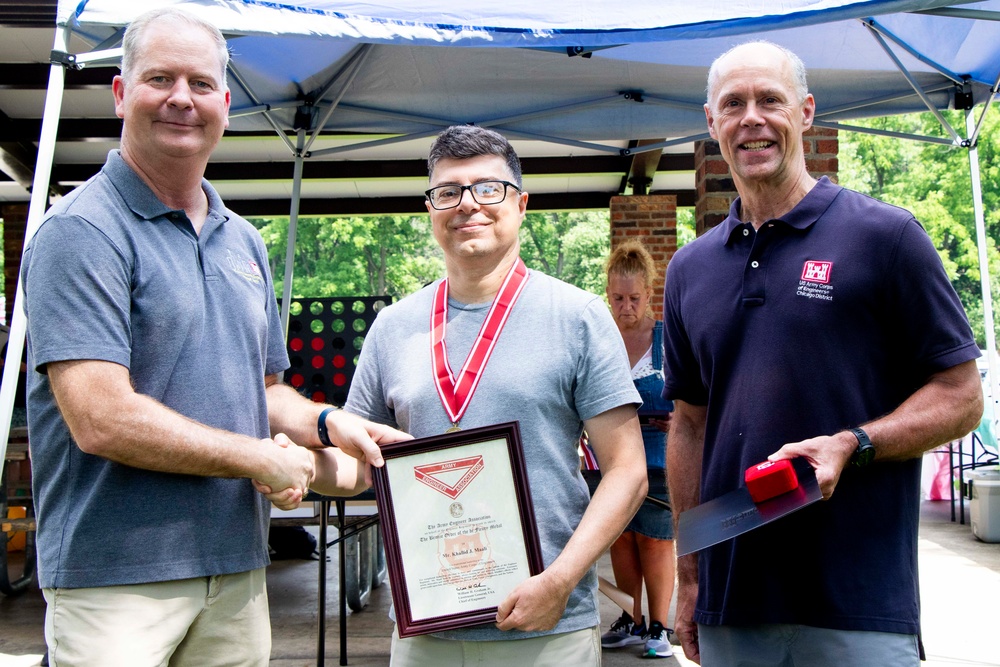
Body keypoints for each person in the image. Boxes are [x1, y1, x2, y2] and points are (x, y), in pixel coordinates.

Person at [20, 8, 405, 666]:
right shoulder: (80, 231)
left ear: (225, 104)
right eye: (159, 78)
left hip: (236, 569)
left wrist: (328, 420)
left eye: (200, 84)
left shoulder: (244, 241)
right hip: (116, 580)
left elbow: (264, 392)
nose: (180, 98)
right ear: (120, 93)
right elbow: (101, 417)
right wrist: (258, 459)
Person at [663, 41, 984, 666]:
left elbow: (962, 396)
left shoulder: (886, 238)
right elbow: (691, 428)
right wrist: (692, 577)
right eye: (734, 104)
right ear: (711, 123)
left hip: (859, 604)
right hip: (736, 604)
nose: (752, 118)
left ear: (806, 112)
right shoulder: (689, 269)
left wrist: (854, 443)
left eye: (770, 101)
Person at [338, 124, 648, 666]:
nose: (467, 205)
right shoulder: (393, 327)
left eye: (488, 189)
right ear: (431, 207)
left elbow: (628, 471)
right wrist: (294, 466)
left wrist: (561, 581)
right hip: (425, 630)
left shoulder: (577, 317)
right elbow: (352, 464)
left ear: (521, 203)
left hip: (546, 627)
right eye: (448, 192)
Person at [600, 241, 676, 658]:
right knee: (620, 538)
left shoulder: (668, 339)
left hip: (659, 458)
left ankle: (659, 628)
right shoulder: (600, 337)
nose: (625, 307)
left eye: (633, 298)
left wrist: (679, 417)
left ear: (649, 294)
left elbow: (694, 395)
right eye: (617, 298)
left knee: (656, 540)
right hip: (611, 459)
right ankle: (632, 619)